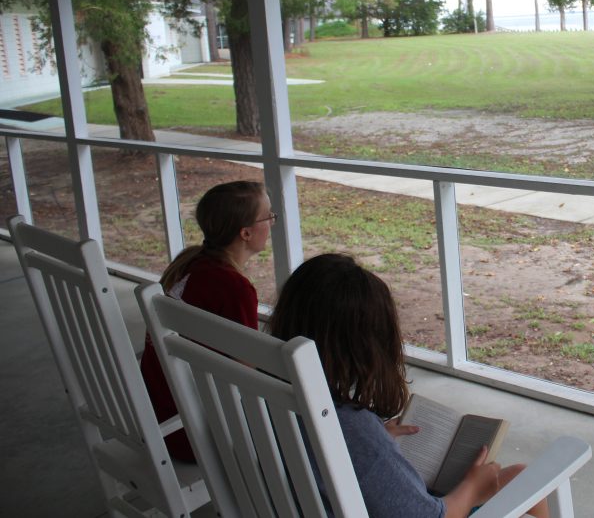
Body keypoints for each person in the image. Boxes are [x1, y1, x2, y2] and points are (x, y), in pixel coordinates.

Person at [268, 253, 549, 518]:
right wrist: (473, 489)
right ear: (367, 346)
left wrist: (376, 442)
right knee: (533, 486)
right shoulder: (350, 427)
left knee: (520, 474)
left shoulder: (262, 396)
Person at [140, 180, 274, 461]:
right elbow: (248, 375)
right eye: (268, 216)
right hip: (192, 433)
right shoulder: (234, 288)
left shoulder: (190, 263)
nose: (272, 223)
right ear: (246, 232)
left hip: (158, 416)